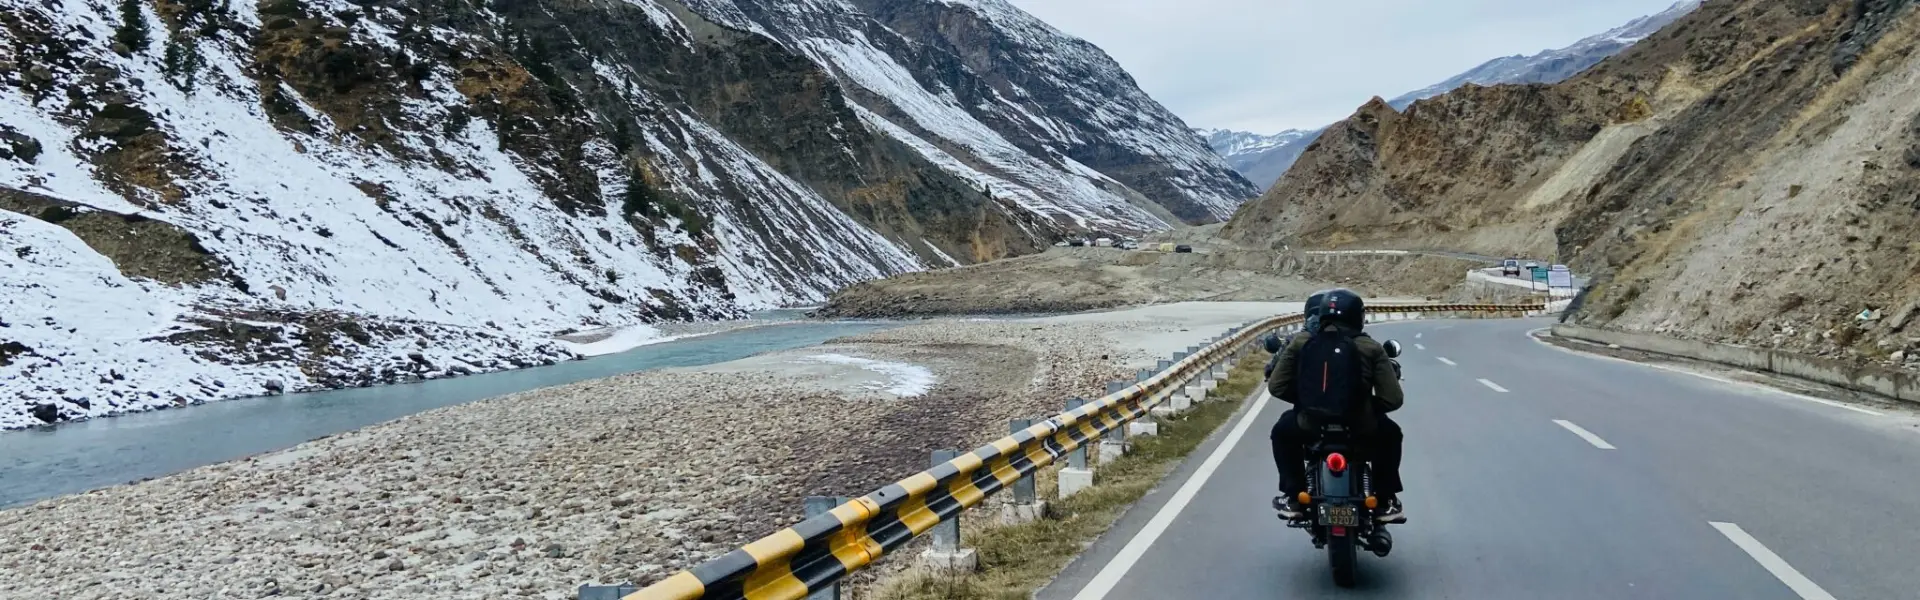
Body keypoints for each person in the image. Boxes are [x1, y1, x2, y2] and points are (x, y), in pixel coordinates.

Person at [1267, 288, 1406, 523]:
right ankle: (1385, 502)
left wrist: (1306, 402)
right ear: (1357, 316)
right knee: (1391, 435)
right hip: (1360, 427)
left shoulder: (1302, 342)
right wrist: (1366, 407)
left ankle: (1292, 497)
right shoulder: (1371, 348)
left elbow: (1276, 386)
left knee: (1281, 432)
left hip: (1310, 424)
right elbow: (1393, 399)